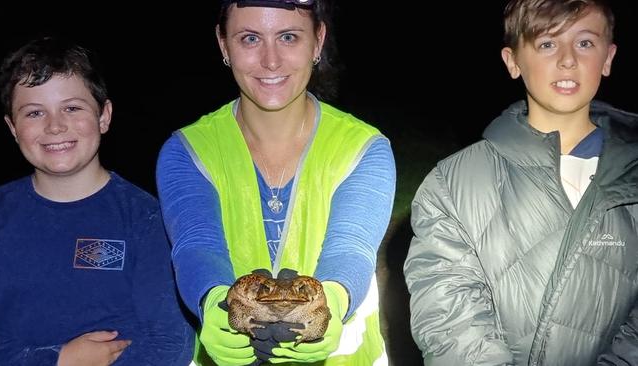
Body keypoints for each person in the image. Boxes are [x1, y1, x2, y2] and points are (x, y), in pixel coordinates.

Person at [156, 0, 396, 365]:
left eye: (288, 36)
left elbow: (352, 247)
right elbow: (196, 244)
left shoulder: (365, 148)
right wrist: (215, 304)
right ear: (224, 46)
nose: (271, 60)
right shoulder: (186, 150)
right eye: (250, 38)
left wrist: (330, 304)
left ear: (317, 42)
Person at [404, 0, 638, 365]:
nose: (567, 59)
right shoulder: (452, 184)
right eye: (547, 43)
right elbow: (450, 321)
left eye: (585, 42)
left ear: (607, 58)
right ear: (512, 61)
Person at [0, 36, 194, 365]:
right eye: (34, 113)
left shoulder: (148, 220)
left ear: (104, 116)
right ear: (12, 128)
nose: (55, 126)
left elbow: (169, 343)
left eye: (72, 108)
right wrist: (58, 360)